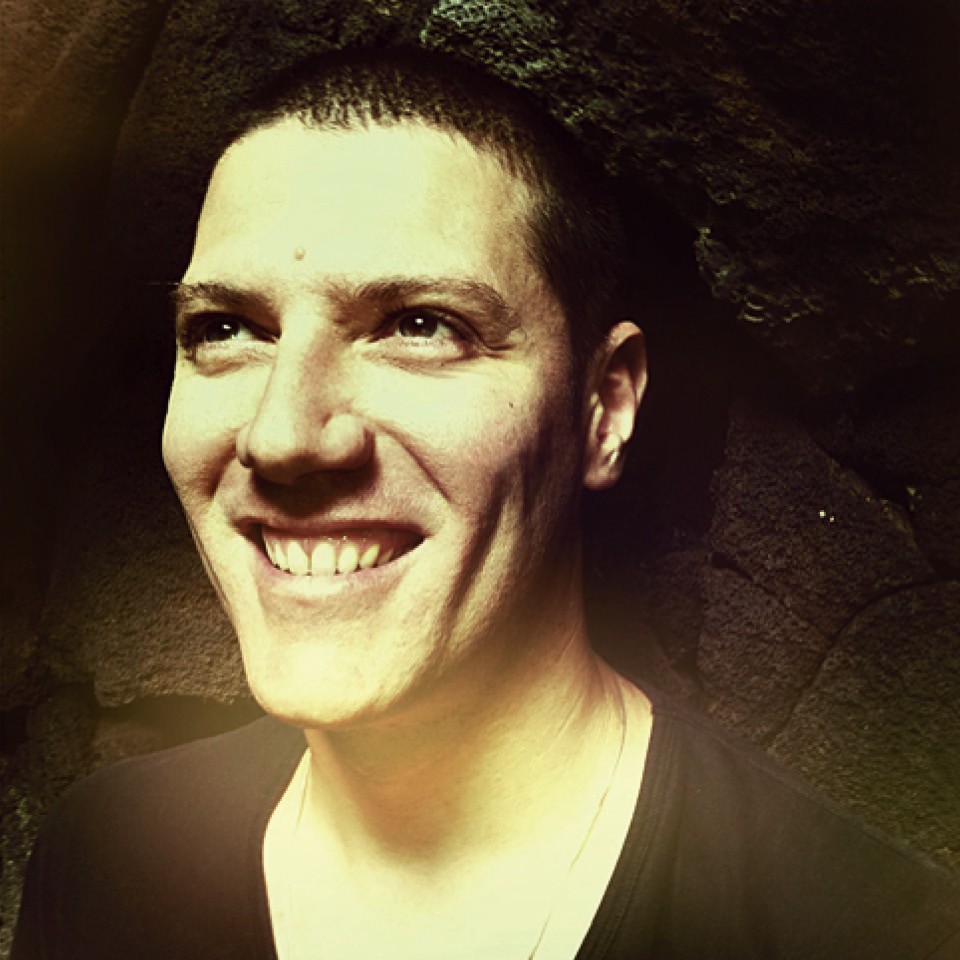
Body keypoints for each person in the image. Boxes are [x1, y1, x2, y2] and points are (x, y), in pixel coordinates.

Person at [13, 47, 959, 960]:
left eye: (420, 325)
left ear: (603, 409)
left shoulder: (872, 936)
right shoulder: (102, 862)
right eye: (226, 329)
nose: (284, 434)